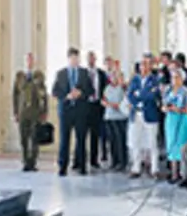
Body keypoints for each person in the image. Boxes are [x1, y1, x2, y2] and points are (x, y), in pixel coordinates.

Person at [51, 47, 94, 176]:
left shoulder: (84, 73)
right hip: (66, 110)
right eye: (72, 58)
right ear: (68, 59)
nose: (75, 60)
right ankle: (62, 166)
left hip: (81, 110)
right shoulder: (61, 73)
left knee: (81, 138)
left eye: (77, 58)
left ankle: (81, 165)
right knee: (65, 139)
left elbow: (91, 90)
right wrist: (66, 96)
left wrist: (81, 93)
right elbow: (55, 91)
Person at [127, 56, 162, 179]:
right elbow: (130, 95)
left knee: (152, 142)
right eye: (142, 64)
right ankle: (136, 167)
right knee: (135, 141)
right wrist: (140, 98)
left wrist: (139, 95)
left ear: (150, 66)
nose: (144, 67)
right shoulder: (135, 80)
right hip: (136, 113)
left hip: (150, 115)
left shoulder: (155, 80)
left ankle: (154, 168)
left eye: (147, 64)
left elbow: (152, 96)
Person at [12, 53, 48, 172]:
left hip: (36, 112)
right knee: (23, 138)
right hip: (23, 112)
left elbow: (44, 95)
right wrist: (15, 112)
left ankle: (33, 162)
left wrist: (44, 111)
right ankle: (25, 161)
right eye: (28, 60)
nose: (30, 62)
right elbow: (15, 95)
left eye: (31, 60)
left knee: (34, 138)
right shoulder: (19, 76)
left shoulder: (39, 76)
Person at [163, 68, 187, 183]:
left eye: (177, 77)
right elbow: (163, 104)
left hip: (182, 119)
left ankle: (183, 173)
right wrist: (166, 108)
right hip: (170, 119)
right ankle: (174, 173)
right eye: (173, 77)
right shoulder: (168, 90)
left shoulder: (186, 91)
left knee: (181, 144)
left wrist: (178, 109)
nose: (174, 80)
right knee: (171, 144)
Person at [102, 71, 128, 172]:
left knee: (120, 141)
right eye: (112, 77)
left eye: (116, 76)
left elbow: (124, 101)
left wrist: (115, 105)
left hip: (120, 117)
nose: (114, 78)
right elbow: (104, 99)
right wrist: (105, 103)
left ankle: (122, 162)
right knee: (112, 141)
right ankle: (114, 161)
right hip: (109, 117)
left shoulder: (122, 88)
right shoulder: (107, 88)